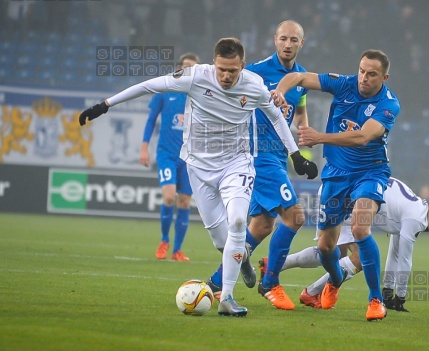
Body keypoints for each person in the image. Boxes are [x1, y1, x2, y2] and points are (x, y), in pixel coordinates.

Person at [78, 37, 318, 317]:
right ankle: (243, 261)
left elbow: (277, 117)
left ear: (242, 66)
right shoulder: (195, 76)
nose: (226, 76)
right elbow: (148, 85)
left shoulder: (253, 84)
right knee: (222, 242)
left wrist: (295, 155)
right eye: (221, 70)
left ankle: (227, 297)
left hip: (237, 164)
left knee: (240, 221)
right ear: (213, 63)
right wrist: (105, 104)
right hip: (199, 168)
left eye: (232, 70)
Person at [272, 49, 400, 321]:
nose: (364, 78)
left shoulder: (389, 104)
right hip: (336, 175)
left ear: (385, 77)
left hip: (370, 172)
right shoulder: (344, 83)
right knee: (327, 248)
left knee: (360, 227)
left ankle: (376, 300)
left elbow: (363, 137)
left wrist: (319, 137)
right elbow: (299, 77)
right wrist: (280, 92)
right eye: (362, 70)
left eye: (372, 74)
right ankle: (335, 278)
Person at [205, 20, 310, 311]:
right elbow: (226, 96)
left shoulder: (301, 77)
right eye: (283, 38)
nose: (288, 44)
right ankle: (270, 282)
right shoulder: (256, 72)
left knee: (263, 225)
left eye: (294, 40)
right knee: (295, 217)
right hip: (258, 154)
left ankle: (214, 284)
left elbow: (299, 108)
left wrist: (304, 131)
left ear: (302, 44)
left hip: (278, 155)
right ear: (275, 40)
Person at [265, 177, 429, 313]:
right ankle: (311, 291)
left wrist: (389, 291)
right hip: (349, 199)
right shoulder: (417, 217)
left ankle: (275, 266)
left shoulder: (415, 207)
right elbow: (405, 259)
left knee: (332, 251)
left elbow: (394, 253)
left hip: (341, 193)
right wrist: (400, 297)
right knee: (358, 258)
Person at [140, 52, 200, 261]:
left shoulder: (200, 94)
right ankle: (164, 240)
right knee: (168, 197)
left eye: (193, 68)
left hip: (190, 157)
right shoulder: (165, 90)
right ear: (178, 68)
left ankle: (177, 250)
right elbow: (151, 120)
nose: (188, 71)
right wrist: (144, 147)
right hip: (166, 154)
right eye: (185, 66)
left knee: (184, 202)